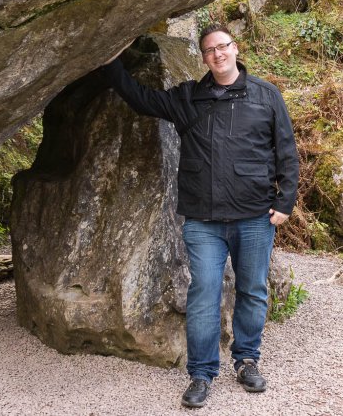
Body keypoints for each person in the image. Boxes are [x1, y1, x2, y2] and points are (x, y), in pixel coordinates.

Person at [100, 24, 299, 409]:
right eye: (209, 50)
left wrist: (285, 202)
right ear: (204, 57)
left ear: (235, 49)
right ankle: (202, 373)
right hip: (203, 221)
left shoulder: (266, 96)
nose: (217, 54)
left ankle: (246, 360)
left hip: (255, 216)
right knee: (204, 294)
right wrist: (110, 62)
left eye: (223, 46)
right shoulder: (189, 98)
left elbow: (286, 151)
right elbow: (141, 99)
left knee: (253, 290)